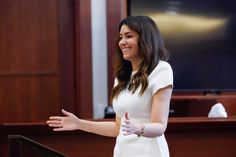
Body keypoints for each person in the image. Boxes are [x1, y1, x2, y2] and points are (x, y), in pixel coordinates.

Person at [47, 15, 173, 157]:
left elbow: (160, 126)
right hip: (123, 151)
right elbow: (117, 128)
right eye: (121, 37)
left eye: (128, 36)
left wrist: (137, 128)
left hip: (150, 151)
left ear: (145, 39)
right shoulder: (122, 77)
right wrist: (79, 124)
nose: (122, 42)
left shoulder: (161, 69)